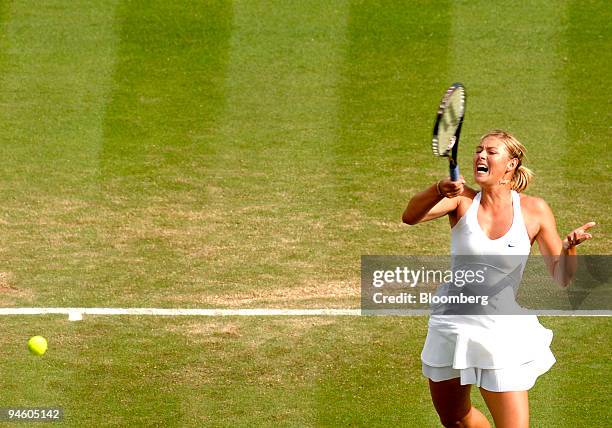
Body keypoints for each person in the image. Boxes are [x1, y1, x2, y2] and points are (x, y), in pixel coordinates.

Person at [402, 130, 595, 428]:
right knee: (454, 418)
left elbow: (562, 278)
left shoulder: (535, 211)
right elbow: (410, 216)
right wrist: (438, 188)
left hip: (501, 331)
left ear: (511, 164)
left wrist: (568, 249)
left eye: (491, 152)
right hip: (452, 324)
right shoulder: (461, 200)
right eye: (479, 150)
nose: (481, 155)